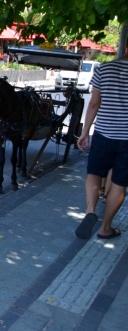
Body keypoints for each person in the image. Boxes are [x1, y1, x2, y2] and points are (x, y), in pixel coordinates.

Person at [75, 48, 128, 240]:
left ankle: (90, 210)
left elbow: (94, 103)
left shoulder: (104, 69)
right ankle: (105, 228)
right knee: (119, 184)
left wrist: (85, 131)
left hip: (104, 133)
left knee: (94, 173)